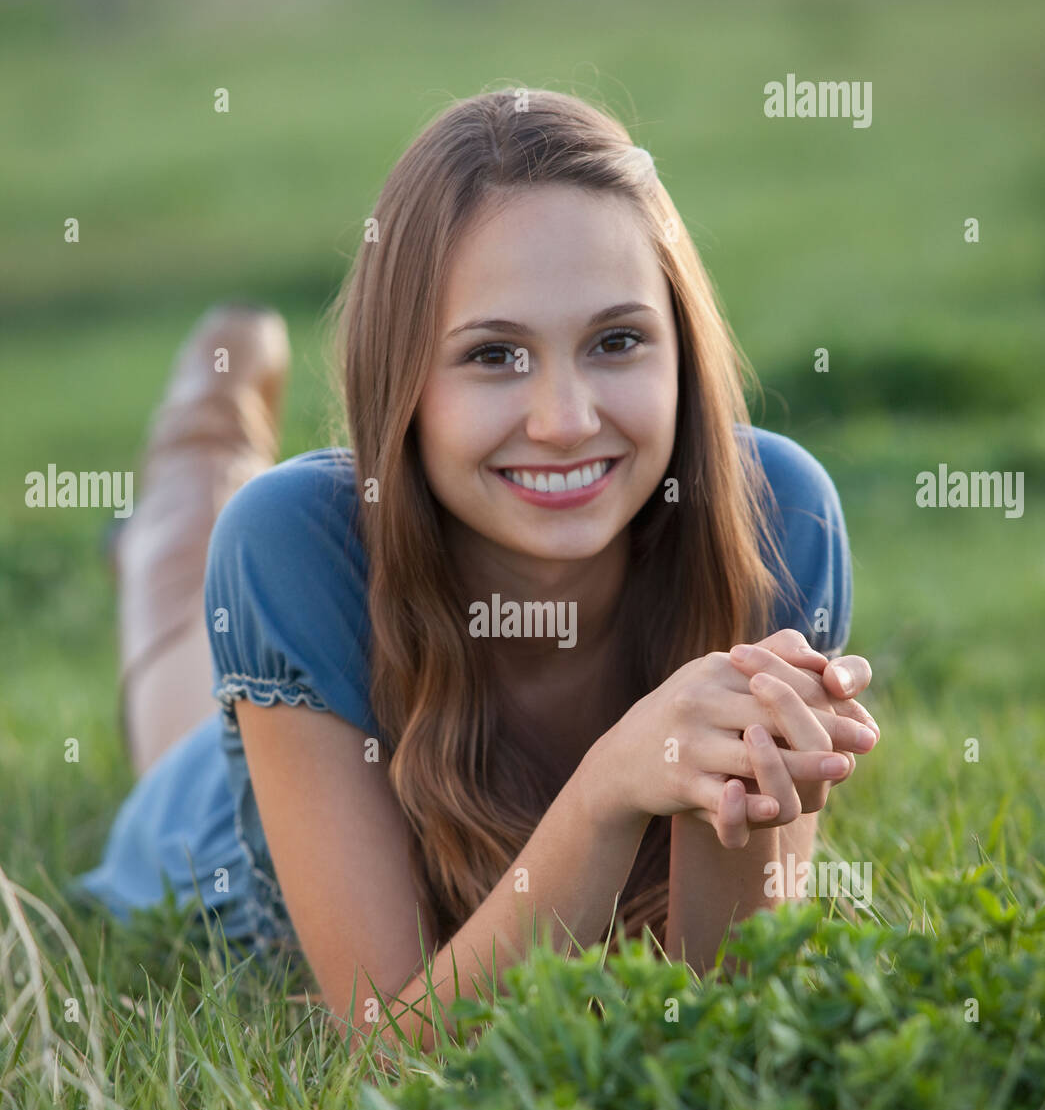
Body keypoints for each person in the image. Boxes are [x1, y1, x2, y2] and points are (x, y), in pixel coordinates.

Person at [73, 88, 879, 1058]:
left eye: (616, 341)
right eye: (494, 355)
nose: (565, 419)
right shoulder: (290, 547)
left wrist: (735, 778)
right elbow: (389, 1047)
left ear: (683, 350)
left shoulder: (773, 517)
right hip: (230, 808)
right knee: (177, 646)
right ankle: (209, 418)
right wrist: (608, 786)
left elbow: (723, 1016)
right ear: (401, 379)